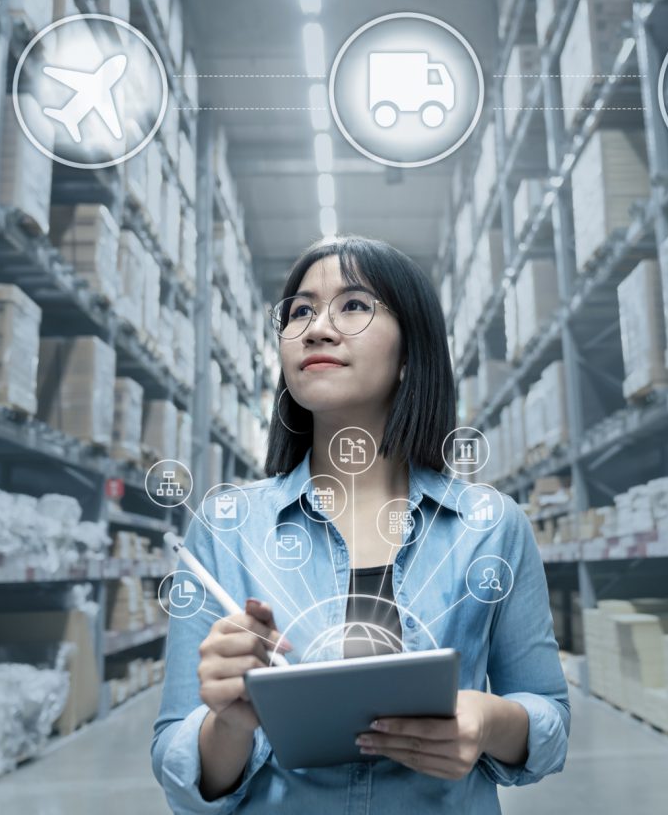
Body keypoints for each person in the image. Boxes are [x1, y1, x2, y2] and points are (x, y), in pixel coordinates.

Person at [151, 236, 570, 812]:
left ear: (410, 352)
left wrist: (489, 720)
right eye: (300, 311)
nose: (317, 328)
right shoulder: (225, 528)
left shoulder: (489, 526)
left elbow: (549, 718)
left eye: (353, 305)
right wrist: (230, 722)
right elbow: (178, 760)